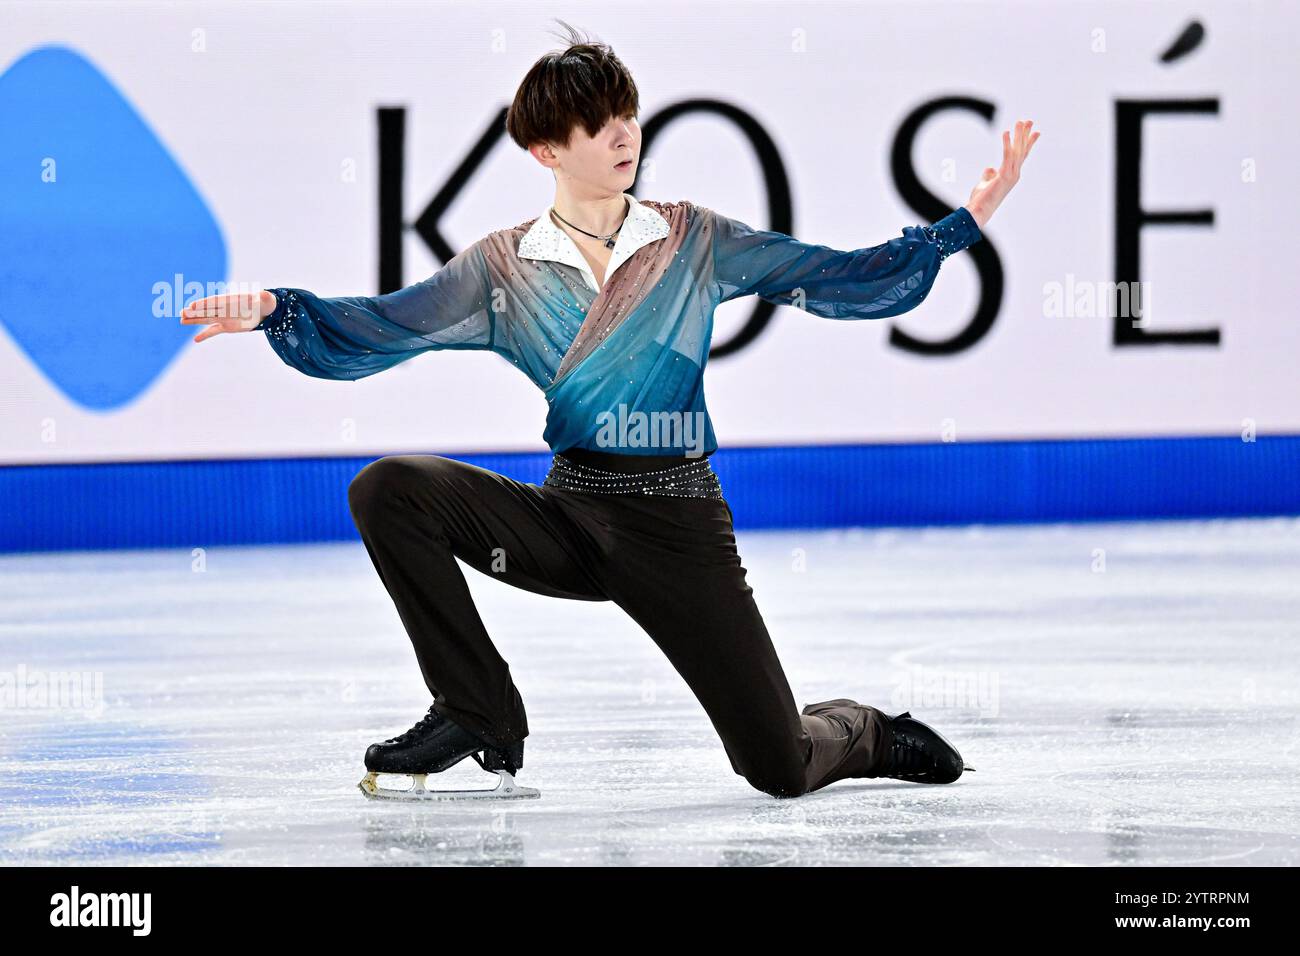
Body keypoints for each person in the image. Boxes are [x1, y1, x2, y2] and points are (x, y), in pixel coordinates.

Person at [180, 22, 1038, 801]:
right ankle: (478, 710)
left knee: (780, 768)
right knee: (387, 488)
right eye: (598, 124)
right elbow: (382, 327)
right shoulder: (502, 269)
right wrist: (272, 309)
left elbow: (837, 274)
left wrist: (960, 225)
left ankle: (865, 730)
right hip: (569, 515)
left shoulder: (692, 238)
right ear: (548, 149)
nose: (624, 133)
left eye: (628, 113)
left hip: (679, 525)